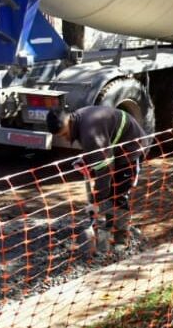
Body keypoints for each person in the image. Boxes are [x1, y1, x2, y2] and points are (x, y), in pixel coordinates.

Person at [46, 105, 145, 245]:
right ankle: (110, 229)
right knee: (110, 193)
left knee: (119, 194)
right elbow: (99, 150)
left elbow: (105, 170)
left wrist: (96, 201)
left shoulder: (89, 131)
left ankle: (121, 240)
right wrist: (85, 160)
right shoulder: (78, 122)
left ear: (69, 120)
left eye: (64, 134)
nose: (65, 139)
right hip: (114, 149)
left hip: (132, 148)